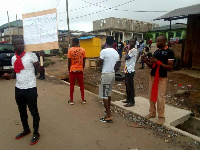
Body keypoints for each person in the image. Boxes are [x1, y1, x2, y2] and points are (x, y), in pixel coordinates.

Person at [4, 36, 43, 145]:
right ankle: (26, 129)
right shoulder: (14, 58)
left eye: (21, 43)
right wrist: (9, 76)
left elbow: (39, 70)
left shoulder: (31, 55)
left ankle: (36, 132)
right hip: (19, 88)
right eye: (17, 44)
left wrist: (41, 60)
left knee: (33, 111)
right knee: (22, 111)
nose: (20, 45)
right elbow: (15, 73)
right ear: (13, 46)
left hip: (30, 88)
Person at [142, 35, 175, 125]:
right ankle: (152, 113)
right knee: (151, 95)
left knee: (160, 97)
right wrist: (146, 61)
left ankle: (161, 117)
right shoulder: (156, 52)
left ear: (165, 41)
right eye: (157, 41)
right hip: (152, 76)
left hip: (162, 77)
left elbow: (170, 67)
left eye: (159, 41)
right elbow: (152, 66)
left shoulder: (169, 52)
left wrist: (158, 62)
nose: (157, 43)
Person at [97, 36, 120, 123]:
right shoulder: (116, 52)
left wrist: (97, 64)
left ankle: (108, 115)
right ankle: (108, 110)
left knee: (104, 94)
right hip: (112, 74)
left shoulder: (104, 51)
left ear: (106, 42)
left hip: (106, 75)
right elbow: (118, 64)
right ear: (114, 43)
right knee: (108, 93)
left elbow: (99, 63)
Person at [68, 38, 86, 105]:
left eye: (71, 42)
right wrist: (82, 68)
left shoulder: (70, 50)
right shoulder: (83, 50)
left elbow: (69, 62)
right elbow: (84, 61)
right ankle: (83, 100)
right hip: (80, 70)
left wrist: (69, 70)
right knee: (81, 85)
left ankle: (71, 100)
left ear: (73, 42)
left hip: (72, 70)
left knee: (72, 85)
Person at [122, 38, 137, 107]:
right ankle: (128, 99)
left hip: (130, 70)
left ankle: (132, 101)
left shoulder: (134, 50)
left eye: (132, 42)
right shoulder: (130, 50)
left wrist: (126, 51)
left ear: (135, 43)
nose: (131, 43)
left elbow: (126, 58)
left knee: (130, 86)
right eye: (130, 41)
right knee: (127, 85)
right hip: (127, 69)